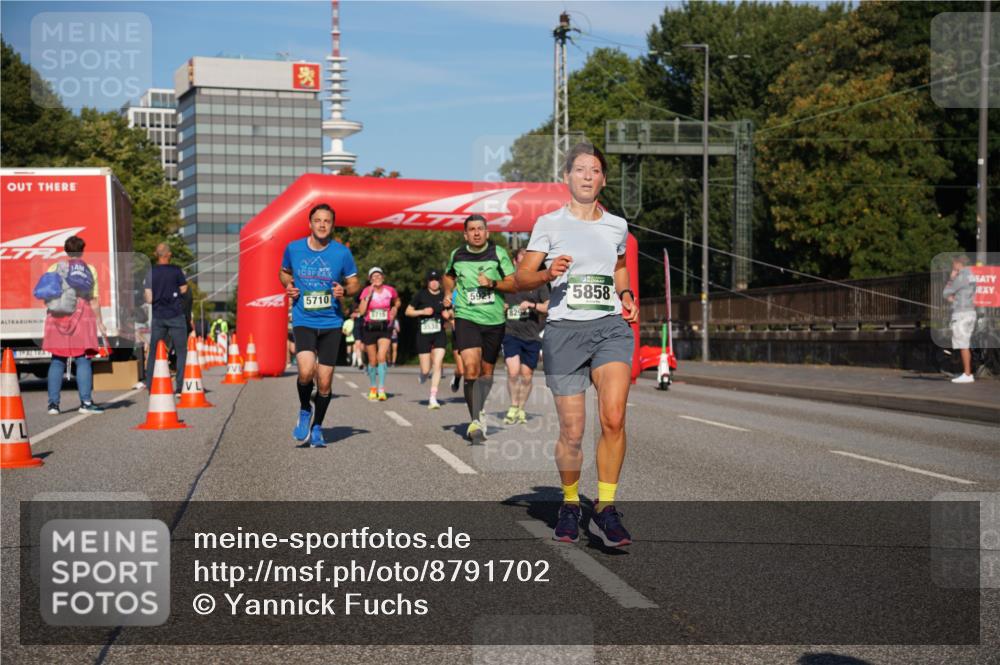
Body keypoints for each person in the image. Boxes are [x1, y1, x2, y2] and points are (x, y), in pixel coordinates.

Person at [515, 142, 639, 547]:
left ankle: (605, 508)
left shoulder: (617, 226)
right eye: (580, 169)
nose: (587, 175)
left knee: (614, 418)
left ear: (603, 178)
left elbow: (619, 267)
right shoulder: (549, 224)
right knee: (572, 431)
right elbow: (521, 278)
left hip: (609, 328)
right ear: (567, 177)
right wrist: (548, 271)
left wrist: (625, 296)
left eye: (595, 170)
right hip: (565, 330)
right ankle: (570, 503)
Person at [280, 203, 360, 447]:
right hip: (304, 319)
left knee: (324, 382)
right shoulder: (293, 249)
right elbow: (284, 272)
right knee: (305, 371)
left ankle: (317, 426)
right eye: (318, 220)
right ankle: (305, 409)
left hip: (331, 322)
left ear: (332, 225)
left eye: (327, 221)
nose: (322, 224)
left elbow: (355, 283)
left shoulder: (341, 253)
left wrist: (344, 290)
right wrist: (288, 284)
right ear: (310, 224)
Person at [443, 214, 517, 444]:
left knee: (486, 373)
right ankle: (475, 420)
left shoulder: (499, 254)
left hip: (493, 320)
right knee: (471, 368)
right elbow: (448, 276)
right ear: (465, 234)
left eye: (480, 229)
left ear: (487, 233)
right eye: (471, 229)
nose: (476, 233)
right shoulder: (457, 254)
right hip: (466, 316)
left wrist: (493, 283)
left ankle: (480, 407)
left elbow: (514, 284)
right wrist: (448, 292)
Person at [42, 235, 106, 414]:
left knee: (57, 359)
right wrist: (100, 322)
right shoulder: (89, 269)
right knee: (83, 359)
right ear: (82, 250)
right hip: (81, 313)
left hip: (57, 314)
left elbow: (47, 294)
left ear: (66, 250)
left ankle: (53, 405)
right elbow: (93, 300)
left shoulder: (54, 267)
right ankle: (86, 403)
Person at [502, 248, 550, 424]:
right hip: (510, 333)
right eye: (522, 260)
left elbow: (548, 307)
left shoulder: (538, 284)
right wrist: (502, 307)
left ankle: (521, 408)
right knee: (513, 372)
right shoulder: (507, 282)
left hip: (532, 335)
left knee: (527, 375)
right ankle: (513, 405)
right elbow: (495, 303)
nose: (525, 264)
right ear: (515, 262)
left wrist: (531, 305)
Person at [144, 243, 189, 394]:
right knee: (182, 351)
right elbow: (184, 289)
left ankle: (150, 385)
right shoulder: (176, 271)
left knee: (154, 351)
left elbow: (149, 298)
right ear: (168, 255)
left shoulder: (150, 272)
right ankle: (180, 388)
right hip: (176, 315)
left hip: (158, 316)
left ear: (156, 254)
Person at [406, 269, 450, 409]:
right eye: (431, 280)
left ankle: (433, 397)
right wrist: (422, 311)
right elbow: (408, 311)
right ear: (427, 282)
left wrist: (448, 314)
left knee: (437, 364)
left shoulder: (444, 296)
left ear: (440, 282)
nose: (434, 282)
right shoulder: (421, 295)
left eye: (436, 280)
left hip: (439, 333)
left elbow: (452, 311)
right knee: (426, 370)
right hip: (423, 334)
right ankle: (423, 374)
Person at [357, 267, 400, 401]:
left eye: (379, 276)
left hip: (385, 327)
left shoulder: (390, 290)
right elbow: (362, 311)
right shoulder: (366, 291)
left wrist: (395, 307)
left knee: (381, 356)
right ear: (370, 280)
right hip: (369, 327)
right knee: (372, 360)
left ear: (383, 277)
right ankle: (373, 387)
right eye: (373, 277)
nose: (376, 278)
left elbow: (397, 300)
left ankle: (381, 389)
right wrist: (367, 296)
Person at [944, 254, 977, 384]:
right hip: (970, 312)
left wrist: (951, 279)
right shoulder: (972, 275)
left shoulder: (961, 276)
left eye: (953, 264)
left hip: (961, 314)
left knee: (963, 344)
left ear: (958, 263)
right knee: (965, 344)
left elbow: (946, 293)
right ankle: (967, 371)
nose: (953, 267)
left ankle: (967, 374)